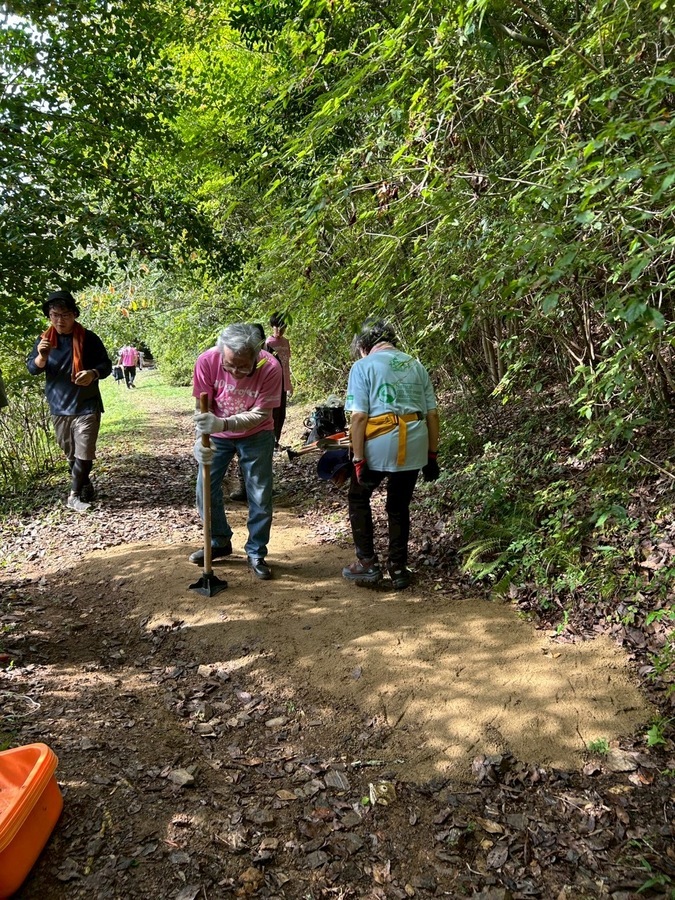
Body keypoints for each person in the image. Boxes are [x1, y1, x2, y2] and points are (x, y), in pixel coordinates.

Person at [342, 318, 440, 590]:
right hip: (415, 443)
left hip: (378, 444)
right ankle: (398, 568)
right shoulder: (415, 365)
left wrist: (358, 459)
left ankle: (367, 563)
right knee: (398, 506)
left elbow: (359, 417)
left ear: (363, 345)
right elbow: (432, 414)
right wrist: (432, 455)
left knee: (358, 497)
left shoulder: (363, 367)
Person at [191, 323, 282, 580]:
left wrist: (223, 423)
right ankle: (219, 540)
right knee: (204, 488)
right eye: (230, 366)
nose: (236, 373)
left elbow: (261, 413)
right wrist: (199, 441)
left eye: (244, 367)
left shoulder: (270, 367)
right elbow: (202, 407)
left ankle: (256, 551)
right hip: (217, 434)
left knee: (260, 493)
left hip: (257, 434)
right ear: (221, 353)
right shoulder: (207, 361)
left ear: (257, 355)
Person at [26, 289, 112, 512]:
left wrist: (92, 373)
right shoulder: (44, 341)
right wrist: (42, 356)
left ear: (74, 314)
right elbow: (32, 369)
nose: (59, 320)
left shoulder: (89, 338)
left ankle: (73, 496)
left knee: (85, 451)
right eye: (54, 315)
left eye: (64, 315)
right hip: (59, 406)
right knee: (72, 455)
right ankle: (84, 483)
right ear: (49, 316)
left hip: (87, 403)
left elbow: (106, 365)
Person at [265, 312, 293, 449]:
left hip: (283, 383)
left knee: (281, 414)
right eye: (277, 327)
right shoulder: (268, 343)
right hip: (272, 385)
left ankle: (276, 441)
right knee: (273, 413)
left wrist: (289, 383)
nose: (280, 330)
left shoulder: (286, 342)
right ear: (272, 327)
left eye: (283, 327)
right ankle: (270, 442)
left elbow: (287, 364)